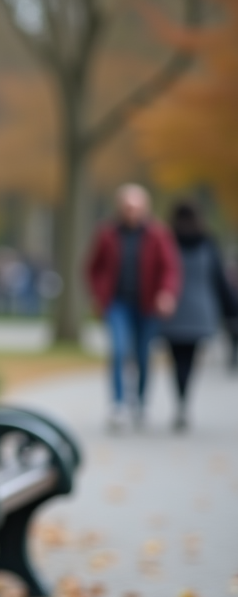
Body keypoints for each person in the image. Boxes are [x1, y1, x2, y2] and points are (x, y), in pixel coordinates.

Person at [86, 184, 181, 430]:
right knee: (119, 351)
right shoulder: (107, 234)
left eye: (136, 207)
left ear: (144, 208)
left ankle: (139, 402)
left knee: (142, 355)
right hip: (117, 304)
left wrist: (166, 293)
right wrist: (98, 296)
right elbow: (92, 268)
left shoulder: (158, 234)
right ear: (120, 208)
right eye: (127, 207)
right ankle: (118, 405)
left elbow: (170, 268)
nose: (131, 212)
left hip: (147, 305)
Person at [160, 201, 238, 430]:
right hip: (200, 311)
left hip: (173, 308)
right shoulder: (207, 243)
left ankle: (180, 399)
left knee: (176, 360)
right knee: (190, 360)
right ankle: (185, 400)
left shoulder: (167, 241)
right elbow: (219, 280)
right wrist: (231, 311)